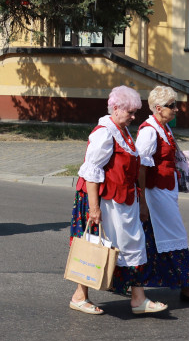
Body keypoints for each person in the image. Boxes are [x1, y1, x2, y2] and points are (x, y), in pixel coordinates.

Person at [69, 86, 167, 316]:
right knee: (96, 247)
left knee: (132, 245)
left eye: (135, 112)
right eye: (130, 112)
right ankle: (79, 295)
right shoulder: (104, 133)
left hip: (123, 201)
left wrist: (140, 201)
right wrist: (94, 210)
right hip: (104, 201)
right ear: (115, 108)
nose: (134, 117)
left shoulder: (122, 131)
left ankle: (138, 299)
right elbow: (91, 173)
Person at [135, 86, 189, 305]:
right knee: (174, 236)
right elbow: (140, 166)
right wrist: (142, 201)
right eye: (172, 106)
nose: (176, 109)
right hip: (154, 192)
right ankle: (187, 287)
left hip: (165, 191)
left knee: (157, 239)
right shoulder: (149, 131)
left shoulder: (163, 127)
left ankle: (147, 283)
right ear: (158, 108)